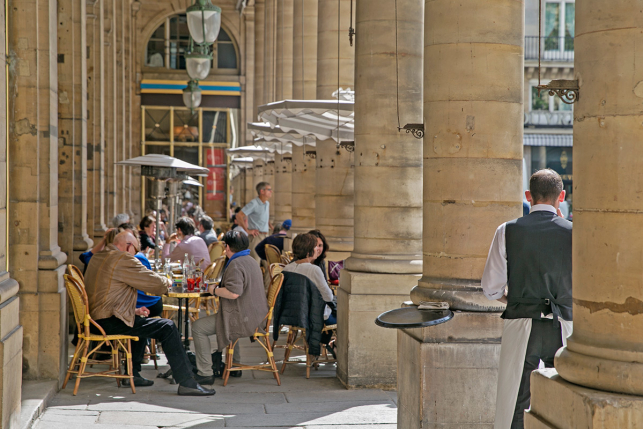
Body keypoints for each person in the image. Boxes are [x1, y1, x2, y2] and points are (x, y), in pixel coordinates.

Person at [481, 169, 573, 429]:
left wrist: (512, 299)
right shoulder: (574, 232)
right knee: (564, 397)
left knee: (517, 399)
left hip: (522, 324)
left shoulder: (507, 230)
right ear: (561, 196)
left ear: (528, 195)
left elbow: (491, 288)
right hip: (564, 326)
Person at [84, 231, 215, 396]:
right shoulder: (122, 258)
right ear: (129, 246)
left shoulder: (98, 257)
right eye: (136, 251)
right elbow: (154, 283)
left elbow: (105, 293)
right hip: (106, 322)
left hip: (93, 320)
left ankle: (133, 373)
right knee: (167, 326)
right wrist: (167, 281)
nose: (136, 255)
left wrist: (134, 310)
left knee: (139, 318)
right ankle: (187, 382)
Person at [191, 230, 269, 385]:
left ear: (227, 247)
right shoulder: (251, 260)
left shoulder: (235, 263)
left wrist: (212, 290)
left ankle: (205, 372)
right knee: (230, 320)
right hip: (257, 316)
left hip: (244, 318)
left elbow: (234, 293)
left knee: (198, 327)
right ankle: (234, 364)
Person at [282, 234, 335, 325]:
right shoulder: (314, 270)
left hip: (291, 315)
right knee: (343, 316)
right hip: (312, 316)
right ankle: (325, 339)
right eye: (315, 247)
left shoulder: (287, 268)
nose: (318, 249)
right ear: (308, 252)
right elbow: (328, 297)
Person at [236, 182, 273, 262]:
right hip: (256, 237)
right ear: (262, 191)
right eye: (269, 189)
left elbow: (264, 216)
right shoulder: (254, 203)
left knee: (269, 266)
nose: (271, 191)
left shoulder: (267, 203)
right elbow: (239, 215)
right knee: (255, 263)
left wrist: (271, 226)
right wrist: (247, 230)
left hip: (266, 236)